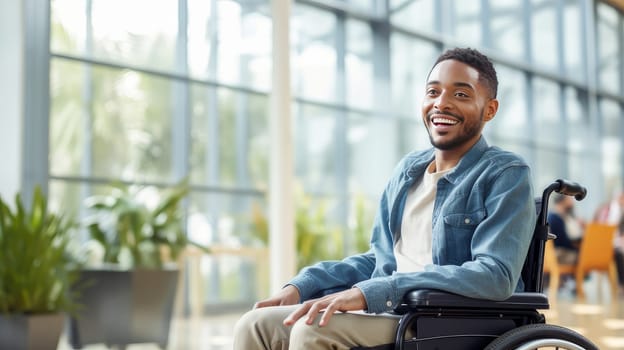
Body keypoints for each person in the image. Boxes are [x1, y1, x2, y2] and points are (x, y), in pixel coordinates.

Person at [233, 47, 536, 350]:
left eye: (461, 95)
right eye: (433, 92)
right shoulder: (408, 171)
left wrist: (381, 290)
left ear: (490, 109)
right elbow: (380, 259)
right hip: (393, 313)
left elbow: (494, 275)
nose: (441, 103)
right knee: (256, 324)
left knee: (313, 330)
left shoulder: (505, 174)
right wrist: (303, 286)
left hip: (444, 320)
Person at [548, 194, 584, 265]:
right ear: (563, 200)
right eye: (570, 198)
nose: (572, 201)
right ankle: (581, 274)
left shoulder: (556, 215)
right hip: (559, 254)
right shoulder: (556, 218)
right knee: (585, 257)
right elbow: (562, 242)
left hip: (555, 253)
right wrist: (579, 248)